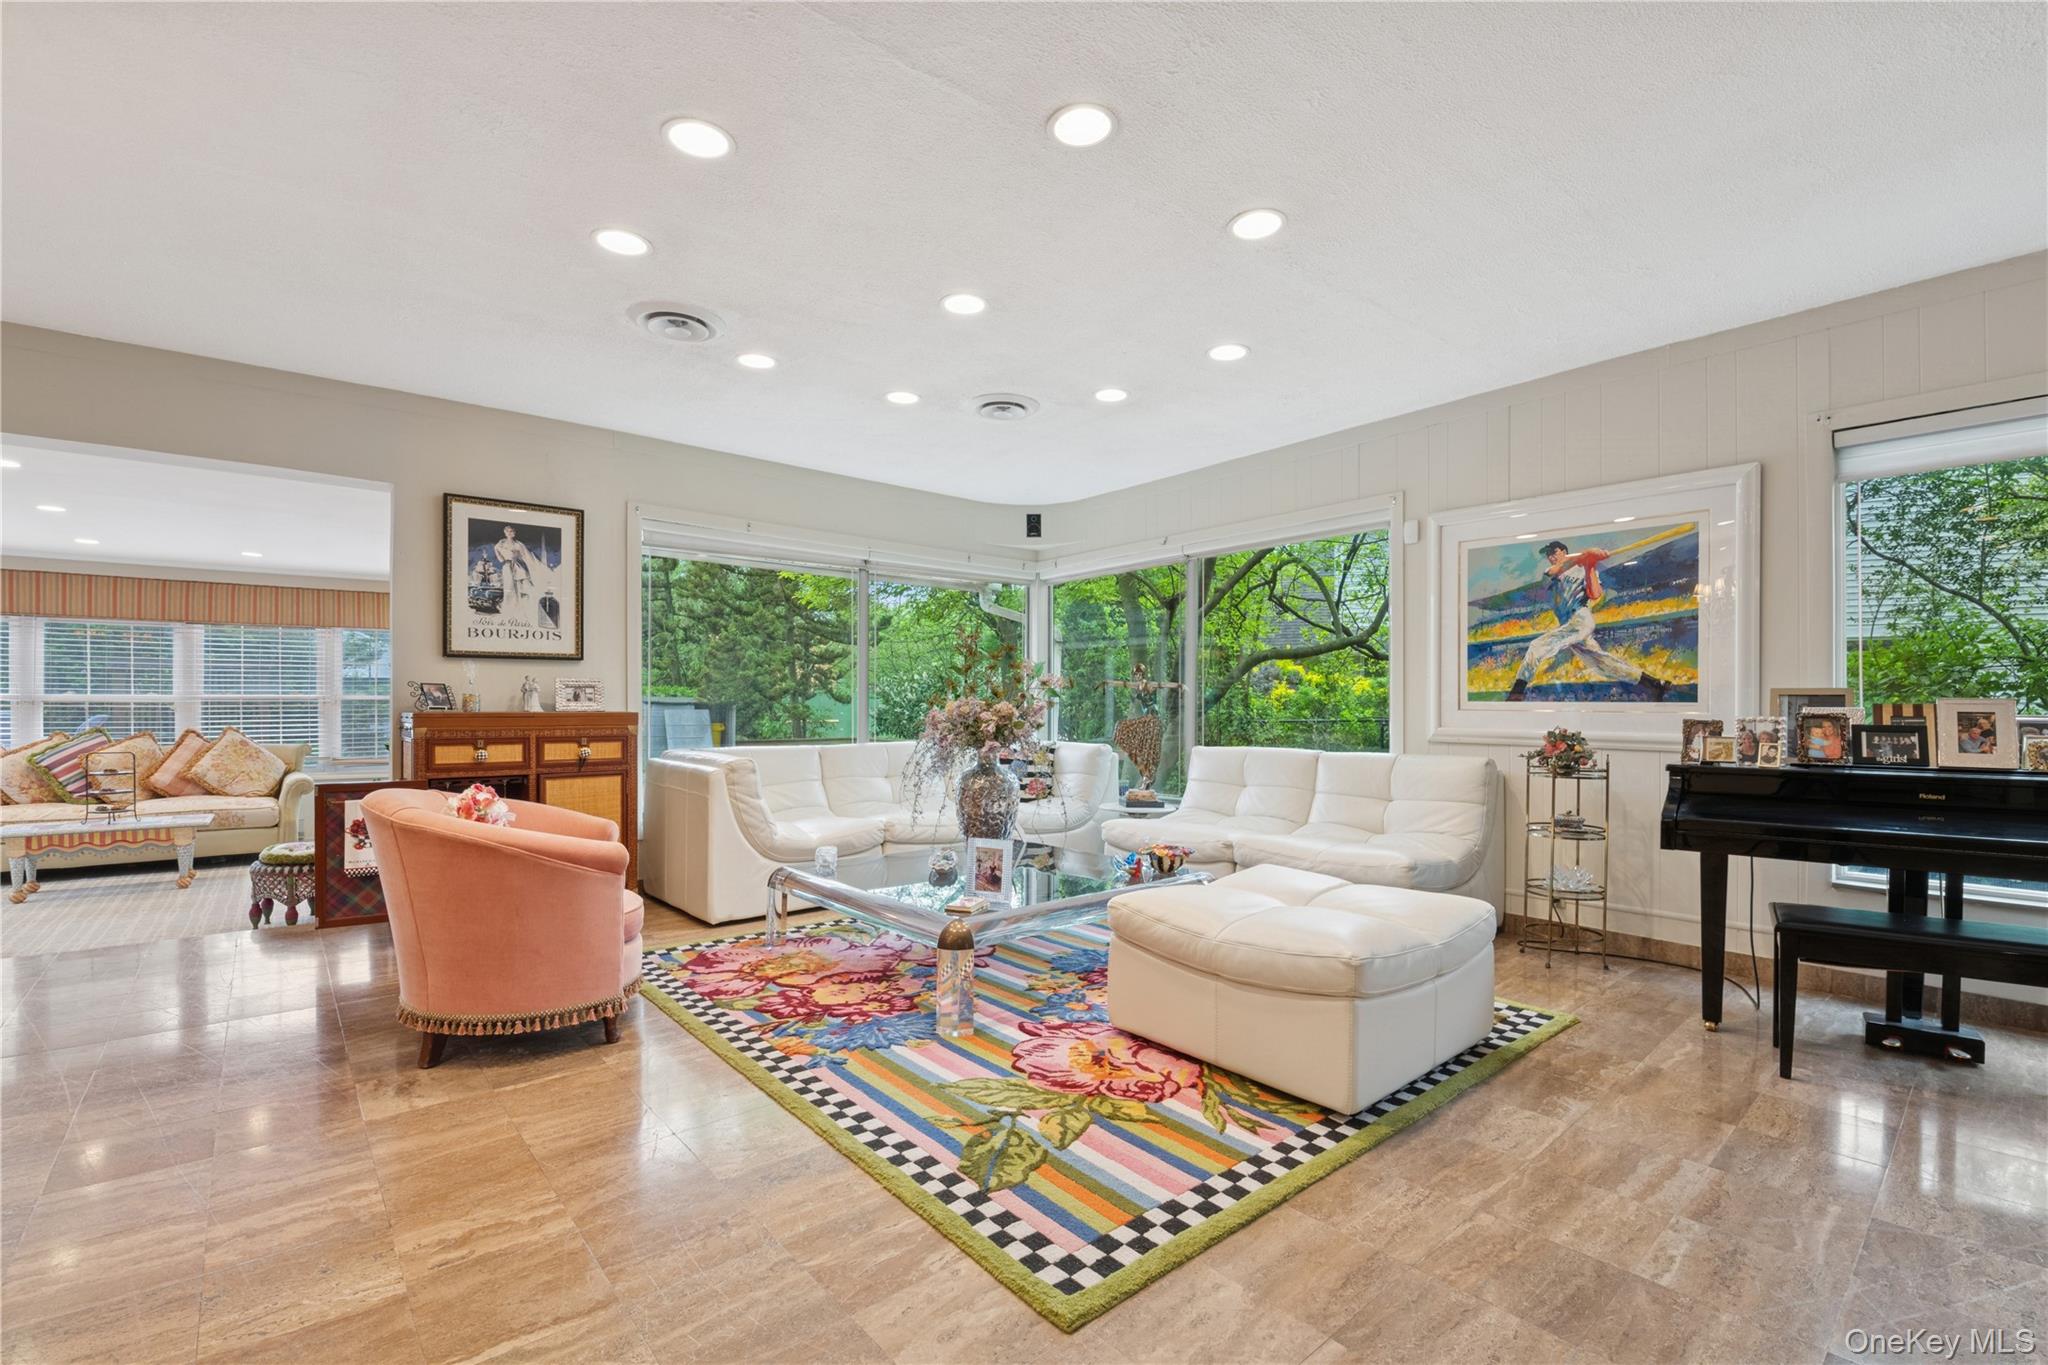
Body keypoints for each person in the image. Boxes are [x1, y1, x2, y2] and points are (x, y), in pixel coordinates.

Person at [1505, 540, 1671, 702]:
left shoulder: (1582, 568)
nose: (1551, 556)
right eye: (1548, 554)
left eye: (1554, 552)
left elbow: (1595, 594)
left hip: (1580, 619)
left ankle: (1516, 694)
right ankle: (1656, 684)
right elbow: (1556, 570)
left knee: (1537, 646)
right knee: (1604, 664)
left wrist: (1590, 565)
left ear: (1564, 551)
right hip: (1568, 624)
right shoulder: (1551, 571)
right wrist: (1585, 556)